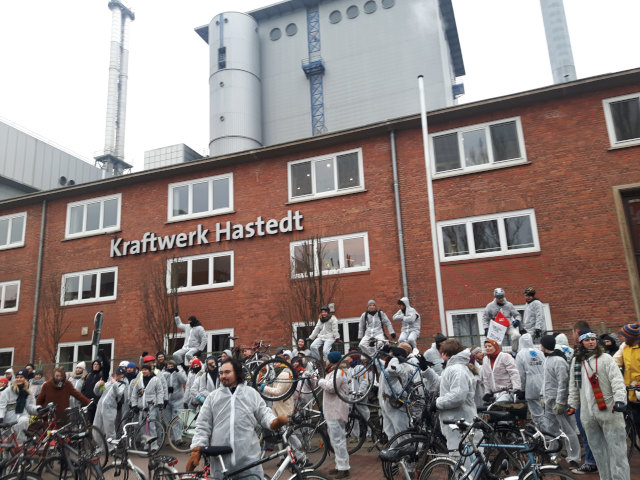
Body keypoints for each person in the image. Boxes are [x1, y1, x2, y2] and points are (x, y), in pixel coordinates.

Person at [186, 358, 289, 478]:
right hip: (221, 462)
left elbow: (263, 412)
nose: (223, 376)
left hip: (249, 463)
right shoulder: (212, 398)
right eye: (221, 373)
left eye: (227, 372)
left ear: (237, 373)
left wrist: (273, 422)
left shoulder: (251, 394)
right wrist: (196, 449)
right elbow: (203, 425)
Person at [568, 328, 630, 479]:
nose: (590, 342)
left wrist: (620, 399)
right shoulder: (577, 361)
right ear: (581, 343)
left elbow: (617, 380)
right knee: (599, 452)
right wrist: (573, 404)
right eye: (587, 340)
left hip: (610, 410)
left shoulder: (606, 359)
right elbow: (574, 385)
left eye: (593, 339)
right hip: (588, 414)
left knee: (617, 451)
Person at [539, 335, 581, 469]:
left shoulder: (558, 361)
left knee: (568, 430)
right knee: (551, 430)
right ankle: (554, 455)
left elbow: (563, 382)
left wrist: (561, 402)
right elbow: (545, 381)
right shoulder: (548, 360)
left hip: (558, 402)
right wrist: (542, 396)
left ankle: (574, 458)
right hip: (550, 402)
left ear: (544, 346)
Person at [430, 340, 477, 458]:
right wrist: (426, 370)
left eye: (442, 352)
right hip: (456, 421)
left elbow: (458, 396)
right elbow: (440, 383)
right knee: (461, 460)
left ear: (446, 353)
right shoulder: (454, 368)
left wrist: (437, 403)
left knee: (464, 462)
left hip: (459, 421)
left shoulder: (457, 369)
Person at [569, 320, 597, 474]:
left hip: (588, 400)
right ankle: (592, 459)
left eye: (573, 332)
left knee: (588, 432)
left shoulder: (597, 357)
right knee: (587, 431)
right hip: (580, 399)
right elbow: (574, 382)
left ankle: (592, 462)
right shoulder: (576, 357)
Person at [318, 351, 350, 478]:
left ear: (331, 361)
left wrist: (320, 381)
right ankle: (339, 465)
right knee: (335, 440)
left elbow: (331, 387)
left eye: (327, 359)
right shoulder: (333, 372)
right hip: (332, 411)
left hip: (336, 411)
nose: (326, 361)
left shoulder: (339, 373)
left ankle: (344, 468)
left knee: (338, 440)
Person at [616, 323, 640, 458]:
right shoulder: (626, 348)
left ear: (631, 337)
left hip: (638, 390)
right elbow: (616, 363)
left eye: (624, 336)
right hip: (631, 394)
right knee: (635, 423)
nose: (623, 338)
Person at [515, 333, 545, 428]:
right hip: (543, 383)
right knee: (547, 413)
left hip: (531, 385)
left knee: (537, 414)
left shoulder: (520, 354)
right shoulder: (539, 352)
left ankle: (544, 435)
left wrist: (522, 389)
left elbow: (521, 374)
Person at [93, 366, 129, 443]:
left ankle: (111, 447)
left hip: (110, 408)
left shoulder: (123, 385)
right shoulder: (108, 383)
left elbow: (119, 395)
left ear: (122, 375)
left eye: (119, 374)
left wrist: (115, 384)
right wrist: (98, 385)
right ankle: (100, 445)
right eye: (116, 374)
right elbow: (98, 393)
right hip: (100, 407)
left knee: (109, 428)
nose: (116, 375)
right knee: (97, 427)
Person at [0, 369, 38, 442]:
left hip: (21, 417)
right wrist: (1, 417)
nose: (19, 379)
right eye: (17, 377)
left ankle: (21, 447)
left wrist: (37, 409)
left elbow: (30, 407)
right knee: (6, 445)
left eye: (21, 377)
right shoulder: (8, 391)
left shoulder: (28, 393)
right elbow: (2, 405)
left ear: (25, 379)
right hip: (8, 420)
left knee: (23, 421)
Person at [163, 357, 187, 445]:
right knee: (168, 420)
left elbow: (184, 380)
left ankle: (178, 438)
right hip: (167, 400)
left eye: (171, 365)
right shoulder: (164, 373)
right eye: (168, 365)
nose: (170, 366)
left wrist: (177, 371)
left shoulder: (179, 372)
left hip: (178, 400)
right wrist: (166, 390)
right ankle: (171, 439)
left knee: (176, 419)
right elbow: (161, 383)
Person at [81, 353, 110, 422]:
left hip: (96, 402)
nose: (95, 366)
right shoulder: (88, 375)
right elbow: (83, 388)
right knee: (85, 420)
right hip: (86, 401)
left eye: (97, 364)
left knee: (94, 420)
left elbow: (103, 389)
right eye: (94, 364)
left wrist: (97, 399)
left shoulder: (102, 376)